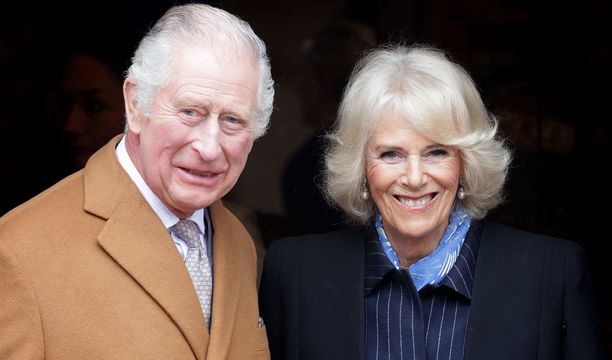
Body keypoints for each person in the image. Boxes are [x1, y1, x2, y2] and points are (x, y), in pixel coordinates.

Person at [259, 44, 607, 359]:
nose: (413, 178)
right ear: (361, 166)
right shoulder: (295, 273)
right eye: (391, 154)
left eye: (436, 152)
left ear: (466, 162)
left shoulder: (552, 274)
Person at [0, 4, 273, 359]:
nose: (209, 147)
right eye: (190, 111)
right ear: (135, 104)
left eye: (234, 120)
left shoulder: (238, 241)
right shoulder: (18, 250)